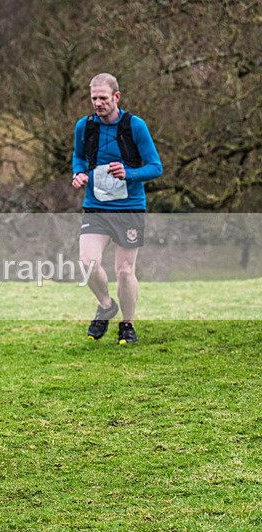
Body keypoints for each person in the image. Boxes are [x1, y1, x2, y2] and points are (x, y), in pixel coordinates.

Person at [71, 73, 163, 344]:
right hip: (96, 206)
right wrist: (78, 173)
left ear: (116, 97)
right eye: (93, 98)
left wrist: (129, 174)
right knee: (88, 264)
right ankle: (106, 305)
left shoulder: (135, 126)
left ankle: (127, 324)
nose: (97, 103)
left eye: (103, 98)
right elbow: (78, 156)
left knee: (124, 270)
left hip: (129, 208)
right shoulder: (84, 127)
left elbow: (155, 167)